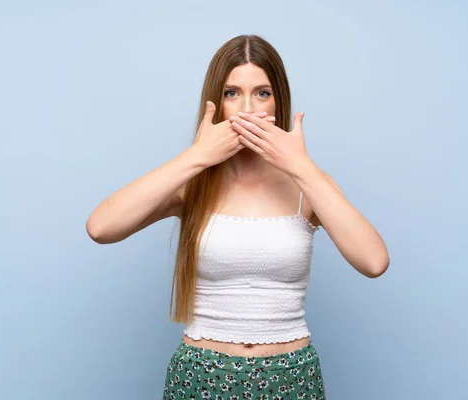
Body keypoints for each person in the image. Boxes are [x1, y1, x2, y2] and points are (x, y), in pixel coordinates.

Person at [86, 34, 389, 400]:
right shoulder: (192, 184)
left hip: (291, 377)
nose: (247, 109)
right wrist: (197, 156)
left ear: (278, 101)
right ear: (216, 102)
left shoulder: (308, 184)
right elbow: (100, 227)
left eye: (262, 93)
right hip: (201, 375)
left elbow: (374, 261)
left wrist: (303, 168)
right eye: (232, 93)